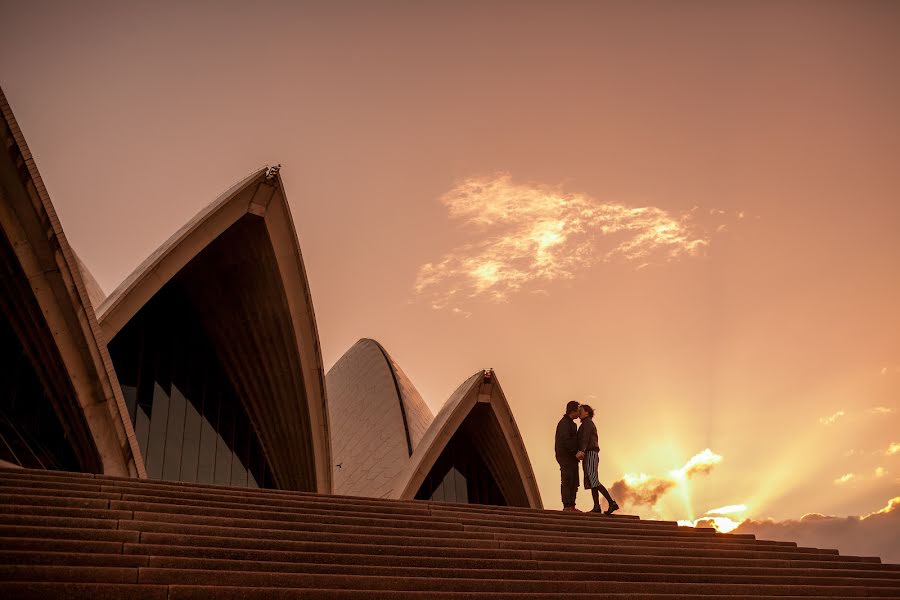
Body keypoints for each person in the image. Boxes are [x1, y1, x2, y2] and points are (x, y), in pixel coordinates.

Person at [576, 404, 619, 515]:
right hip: (589, 454)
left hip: (590, 453)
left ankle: (611, 503)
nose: (579, 412)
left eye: (581, 410)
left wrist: (582, 450)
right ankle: (596, 506)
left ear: (587, 412)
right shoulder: (586, 423)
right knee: (592, 481)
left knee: (594, 480)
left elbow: (585, 438)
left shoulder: (587, 424)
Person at [555, 401, 581, 511]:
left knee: (574, 481)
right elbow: (566, 441)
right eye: (578, 411)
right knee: (567, 480)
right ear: (573, 411)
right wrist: (576, 452)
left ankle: (572, 505)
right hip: (566, 457)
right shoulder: (564, 423)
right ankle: (567, 505)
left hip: (571, 457)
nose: (579, 413)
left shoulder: (570, 423)